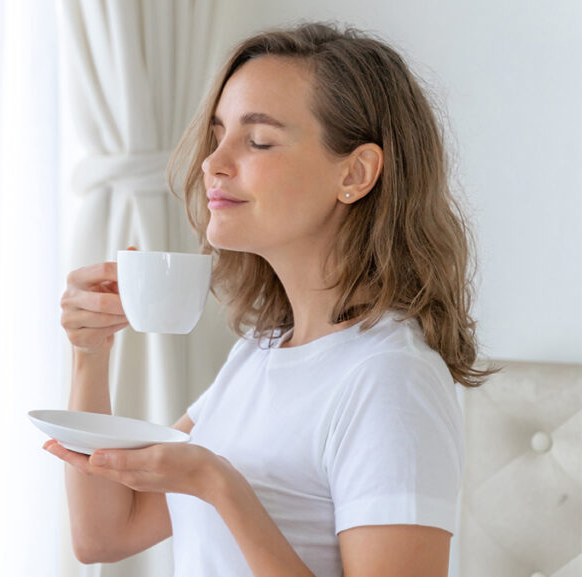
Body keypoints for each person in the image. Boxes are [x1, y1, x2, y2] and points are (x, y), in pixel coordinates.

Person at [45, 21, 495, 577]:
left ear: (355, 173)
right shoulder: (263, 353)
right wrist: (91, 352)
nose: (213, 162)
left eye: (257, 141)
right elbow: (105, 536)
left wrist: (219, 485)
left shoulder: (389, 378)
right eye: (218, 136)